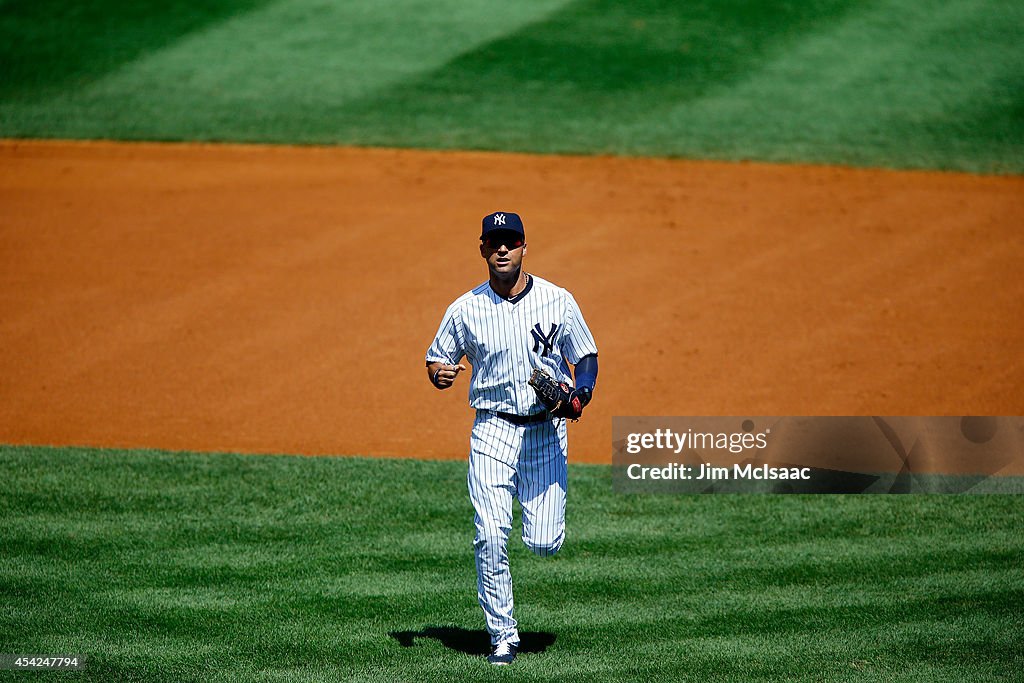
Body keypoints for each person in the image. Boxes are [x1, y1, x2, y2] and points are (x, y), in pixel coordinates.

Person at [425, 211, 599, 666]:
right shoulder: (465, 308)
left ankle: (536, 531)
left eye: (511, 241)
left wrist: (580, 394)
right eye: (494, 242)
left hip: (545, 430)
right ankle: (503, 635)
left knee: (544, 542)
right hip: (493, 429)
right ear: (482, 249)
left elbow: (586, 355)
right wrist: (439, 375)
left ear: (524, 247)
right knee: (489, 534)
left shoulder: (558, 300)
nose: (503, 249)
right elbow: (437, 358)